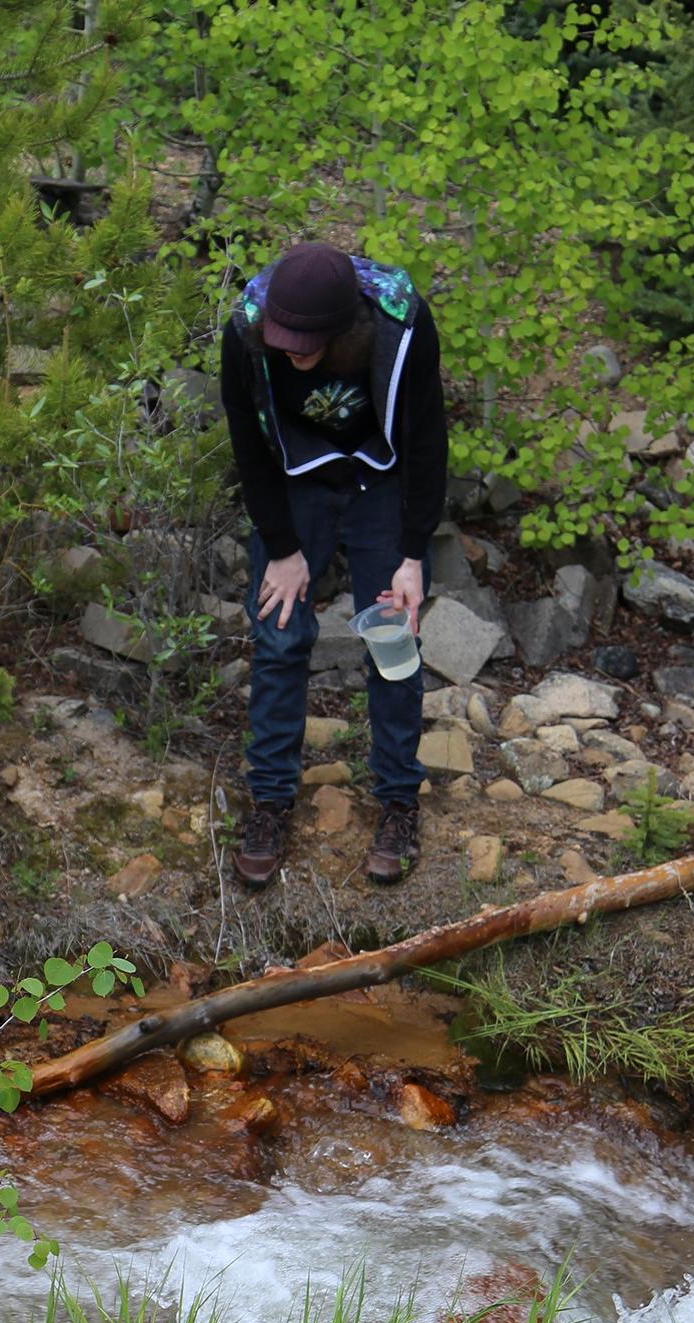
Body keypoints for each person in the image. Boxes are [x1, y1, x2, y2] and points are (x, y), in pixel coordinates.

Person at [220, 240, 448, 887]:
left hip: (384, 479)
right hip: (295, 482)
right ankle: (269, 802)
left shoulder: (401, 324)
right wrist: (284, 548)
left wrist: (410, 554)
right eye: (281, 337)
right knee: (279, 629)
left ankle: (399, 802)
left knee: (392, 639)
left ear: (342, 328)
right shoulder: (247, 330)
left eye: (303, 341)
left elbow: (428, 436)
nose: (289, 349)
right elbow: (248, 442)